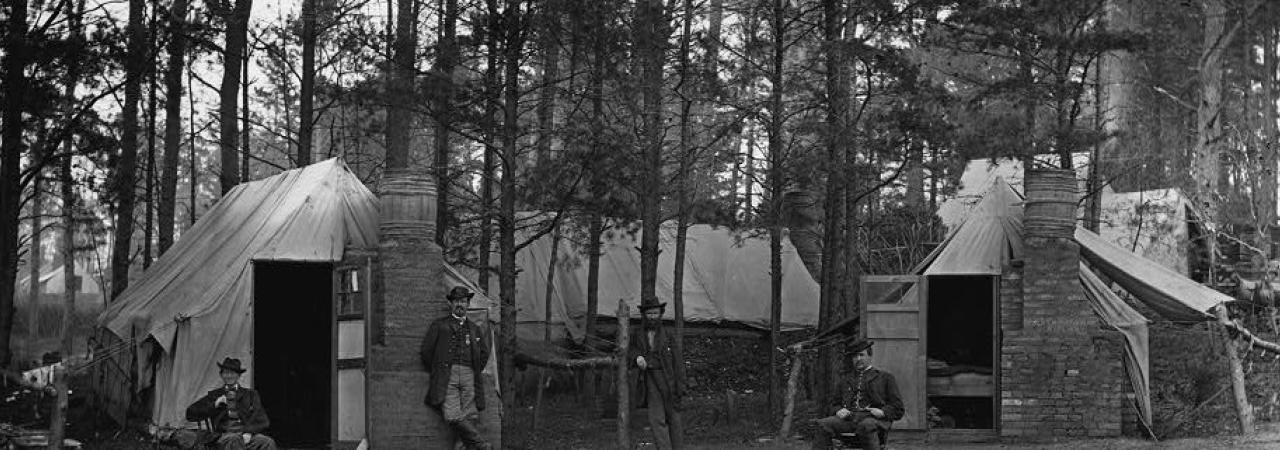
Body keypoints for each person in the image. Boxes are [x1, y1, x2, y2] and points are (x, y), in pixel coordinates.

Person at [421, 286, 492, 450]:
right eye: (456, 301)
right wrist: (439, 370)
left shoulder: (475, 329)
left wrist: (473, 370)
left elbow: (484, 353)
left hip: (470, 375)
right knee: (452, 415)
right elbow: (426, 352)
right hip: (447, 375)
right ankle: (480, 444)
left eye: (463, 301)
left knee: (470, 415)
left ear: (468, 304)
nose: (460, 304)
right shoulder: (439, 325)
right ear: (451, 304)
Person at [812, 339, 903, 450]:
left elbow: (898, 408)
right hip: (849, 420)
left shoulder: (885, 378)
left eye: (861, 355)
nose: (858, 359)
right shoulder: (845, 379)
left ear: (870, 356)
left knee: (866, 425)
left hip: (874, 420)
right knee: (822, 424)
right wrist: (838, 410)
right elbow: (833, 404)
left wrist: (883, 412)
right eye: (855, 356)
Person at [185, 357, 277, 450]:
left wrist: (248, 432)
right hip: (224, 436)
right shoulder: (214, 395)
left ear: (239, 375)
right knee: (234, 439)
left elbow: (262, 418)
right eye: (225, 373)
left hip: (247, 434)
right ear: (221, 375)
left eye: (232, 373)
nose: (229, 376)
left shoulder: (251, 395)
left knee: (267, 442)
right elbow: (190, 413)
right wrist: (215, 404)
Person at [630, 299, 684, 449]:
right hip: (650, 379)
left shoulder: (668, 334)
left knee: (674, 417)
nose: (652, 316)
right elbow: (631, 349)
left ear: (660, 314)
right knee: (656, 418)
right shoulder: (638, 333)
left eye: (655, 313)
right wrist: (637, 357)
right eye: (649, 313)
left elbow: (678, 361)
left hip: (668, 379)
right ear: (644, 315)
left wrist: (681, 385)